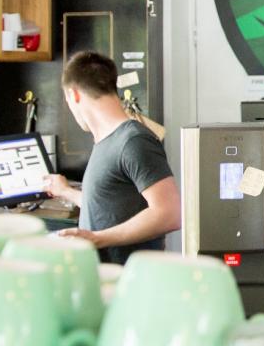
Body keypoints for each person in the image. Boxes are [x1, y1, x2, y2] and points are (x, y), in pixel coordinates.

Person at [43, 51, 181, 265]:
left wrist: (97, 239)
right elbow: (107, 207)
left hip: (128, 278)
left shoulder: (133, 141)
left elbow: (170, 213)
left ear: (74, 95)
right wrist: (66, 192)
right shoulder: (107, 140)